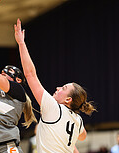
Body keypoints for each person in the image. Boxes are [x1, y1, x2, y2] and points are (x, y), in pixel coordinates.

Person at [14, 18, 96, 153]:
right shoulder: (78, 120)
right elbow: (83, 136)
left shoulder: (54, 108)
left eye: (63, 88)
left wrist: (21, 43)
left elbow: (30, 75)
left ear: (68, 100)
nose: (58, 88)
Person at [0, 9, 37, 153]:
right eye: (2, 72)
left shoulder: (17, 92)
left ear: (17, 80)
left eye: (6, 73)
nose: (2, 73)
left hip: (6, 148)